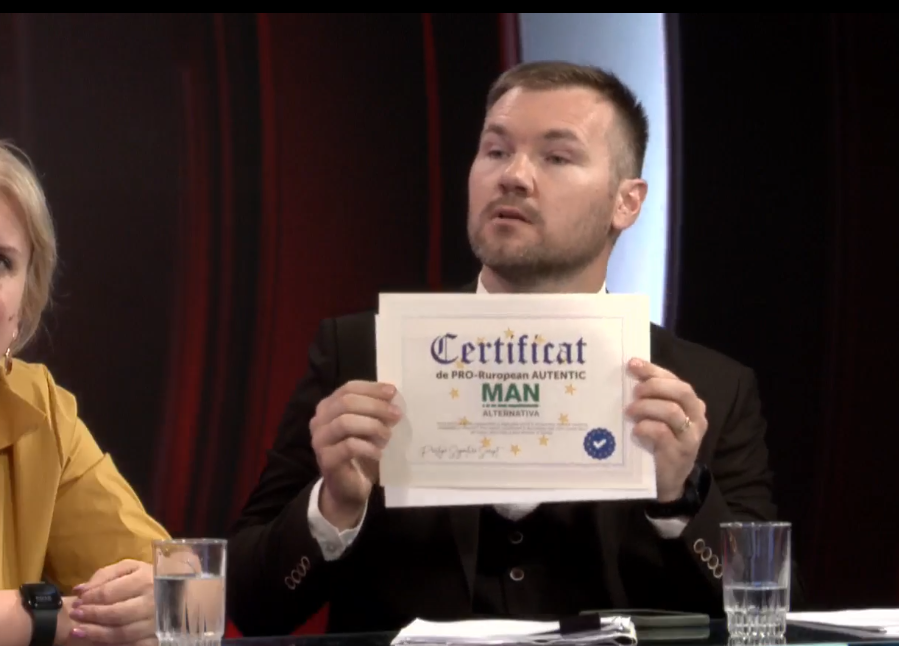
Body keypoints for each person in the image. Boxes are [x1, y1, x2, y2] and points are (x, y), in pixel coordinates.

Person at [227, 61, 783, 635]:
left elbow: (766, 623)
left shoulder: (709, 390)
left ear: (627, 202)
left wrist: (681, 497)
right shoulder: (359, 356)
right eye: (495, 151)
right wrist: (333, 507)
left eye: (556, 157)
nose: (513, 176)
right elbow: (250, 604)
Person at [0, 142, 171, 646]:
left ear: (23, 305)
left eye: (1, 262)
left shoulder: (41, 410)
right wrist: (45, 620)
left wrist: (153, 600)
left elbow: (178, 586)